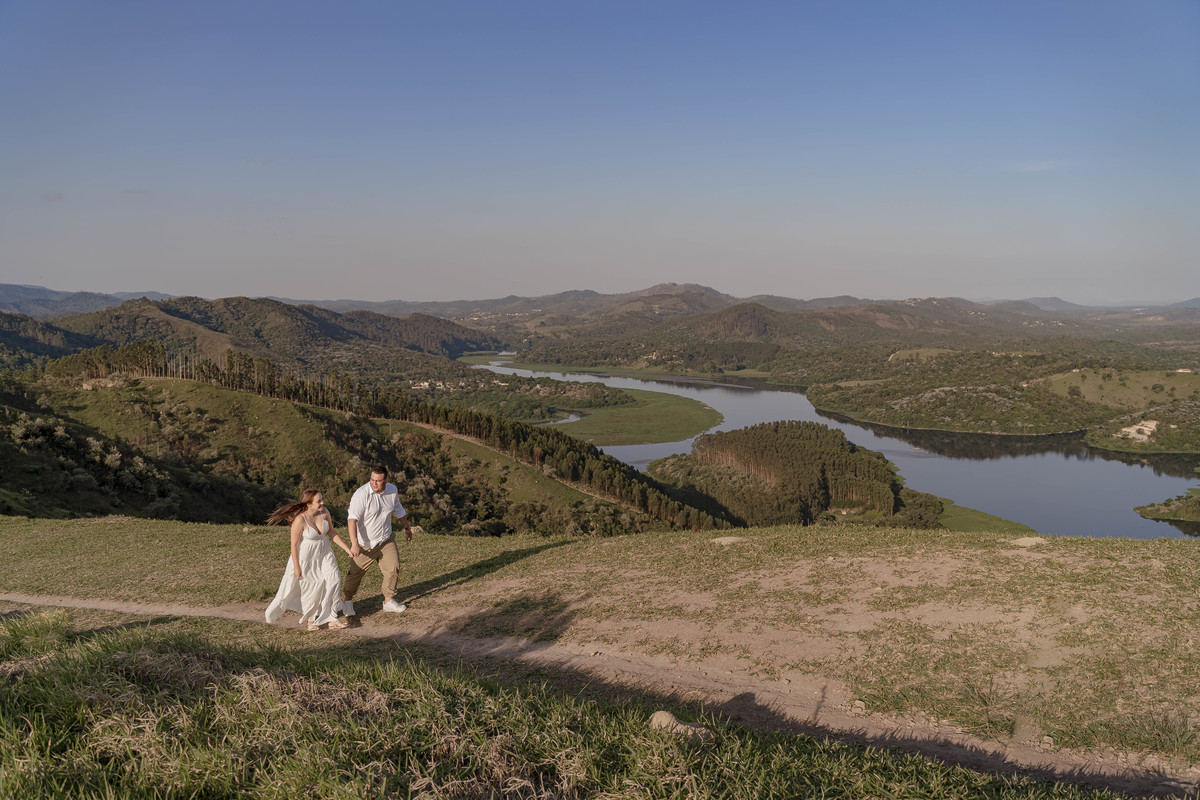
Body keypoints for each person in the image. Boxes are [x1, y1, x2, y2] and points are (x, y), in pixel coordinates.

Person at [264, 489, 353, 631]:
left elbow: (331, 532)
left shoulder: (324, 512)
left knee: (334, 579)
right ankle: (311, 620)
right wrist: (296, 566)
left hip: (325, 552)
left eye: (322, 499)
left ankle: (331, 617)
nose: (322, 503)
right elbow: (294, 544)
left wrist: (347, 549)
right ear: (309, 503)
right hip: (306, 557)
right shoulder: (300, 519)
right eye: (319, 501)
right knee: (312, 586)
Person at [342, 465, 419, 618]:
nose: (374, 483)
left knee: (393, 568)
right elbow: (352, 520)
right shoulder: (361, 494)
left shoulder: (392, 490)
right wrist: (354, 543)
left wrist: (407, 528)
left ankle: (388, 601)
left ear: (386, 480)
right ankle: (347, 601)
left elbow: (398, 510)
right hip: (365, 544)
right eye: (372, 480)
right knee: (355, 574)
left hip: (385, 540)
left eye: (378, 481)